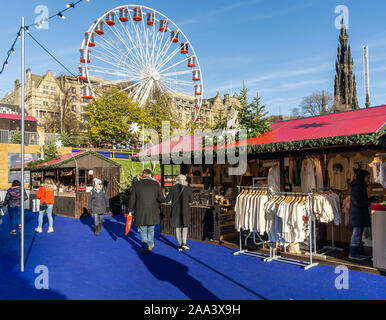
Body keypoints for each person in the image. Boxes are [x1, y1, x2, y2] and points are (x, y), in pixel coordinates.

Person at [129, 169, 164, 254]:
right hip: (153, 210)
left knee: (143, 229)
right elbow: (160, 199)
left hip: (140, 211)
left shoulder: (136, 185)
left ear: (143, 175)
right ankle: (150, 244)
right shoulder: (156, 184)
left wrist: (130, 210)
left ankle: (144, 246)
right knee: (151, 229)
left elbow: (132, 199)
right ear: (150, 175)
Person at [349, 169, 378, 261]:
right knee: (357, 233)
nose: (368, 179)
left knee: (359, 233)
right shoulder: (357, 187)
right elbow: (357, 202)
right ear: (362, 177)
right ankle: (353, 253)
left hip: (359, 213)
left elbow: (362, 200)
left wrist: (373, 199)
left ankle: (359, 251)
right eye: (367, 177)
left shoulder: (361, 186)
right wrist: (370, 204)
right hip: (357, 214)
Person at [164, 175, 194, 252]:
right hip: (185, 210)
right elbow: (191, 200)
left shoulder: (172, 188)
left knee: (178, 227)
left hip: (175, 210)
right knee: (184, 226)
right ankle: (184, 243)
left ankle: (179, 245)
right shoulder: (187, 188)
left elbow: (168, 199)